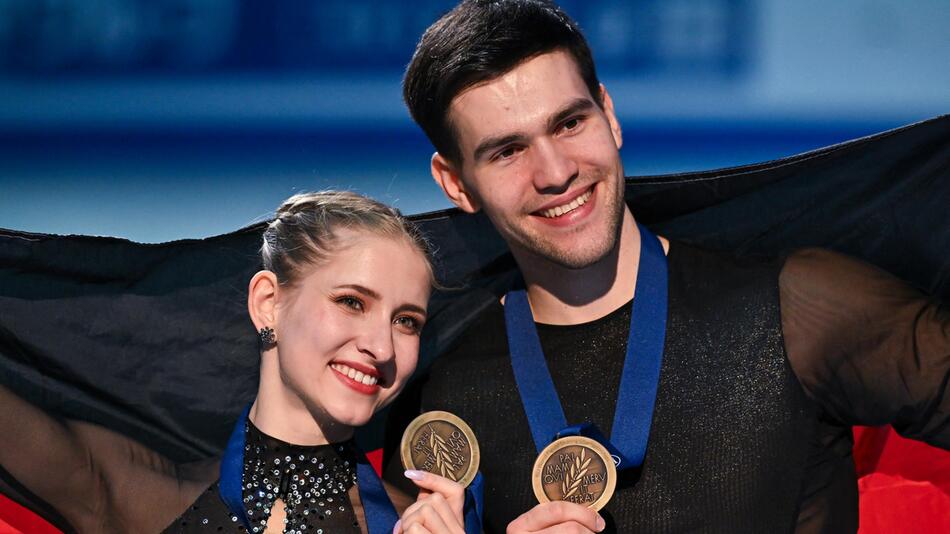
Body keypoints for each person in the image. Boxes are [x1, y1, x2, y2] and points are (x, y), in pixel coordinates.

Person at [383, 1, 950, 533]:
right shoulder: (437, 387)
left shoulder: (795, 310)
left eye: (570, 124)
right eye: (508, 151)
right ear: (455, 182)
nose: (554, 172)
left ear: (609, 114)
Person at [0, 191, 470, 533]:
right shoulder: (143, 497)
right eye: (351, 302)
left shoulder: (419, 526)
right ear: (268, 303)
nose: (382, 348)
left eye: (406, 321)